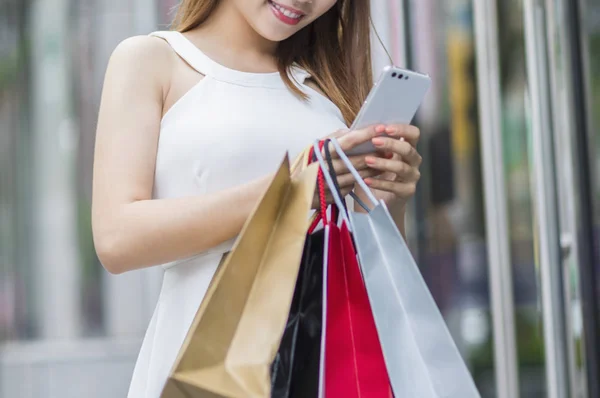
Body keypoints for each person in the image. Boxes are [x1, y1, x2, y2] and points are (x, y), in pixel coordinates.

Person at [91, 0, 423, 396]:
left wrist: (390, 203)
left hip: (320, 367)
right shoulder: (153, 61)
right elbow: (116, 238)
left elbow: (374, 283)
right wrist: (295, 188)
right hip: (202, 366)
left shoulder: (330, 91)